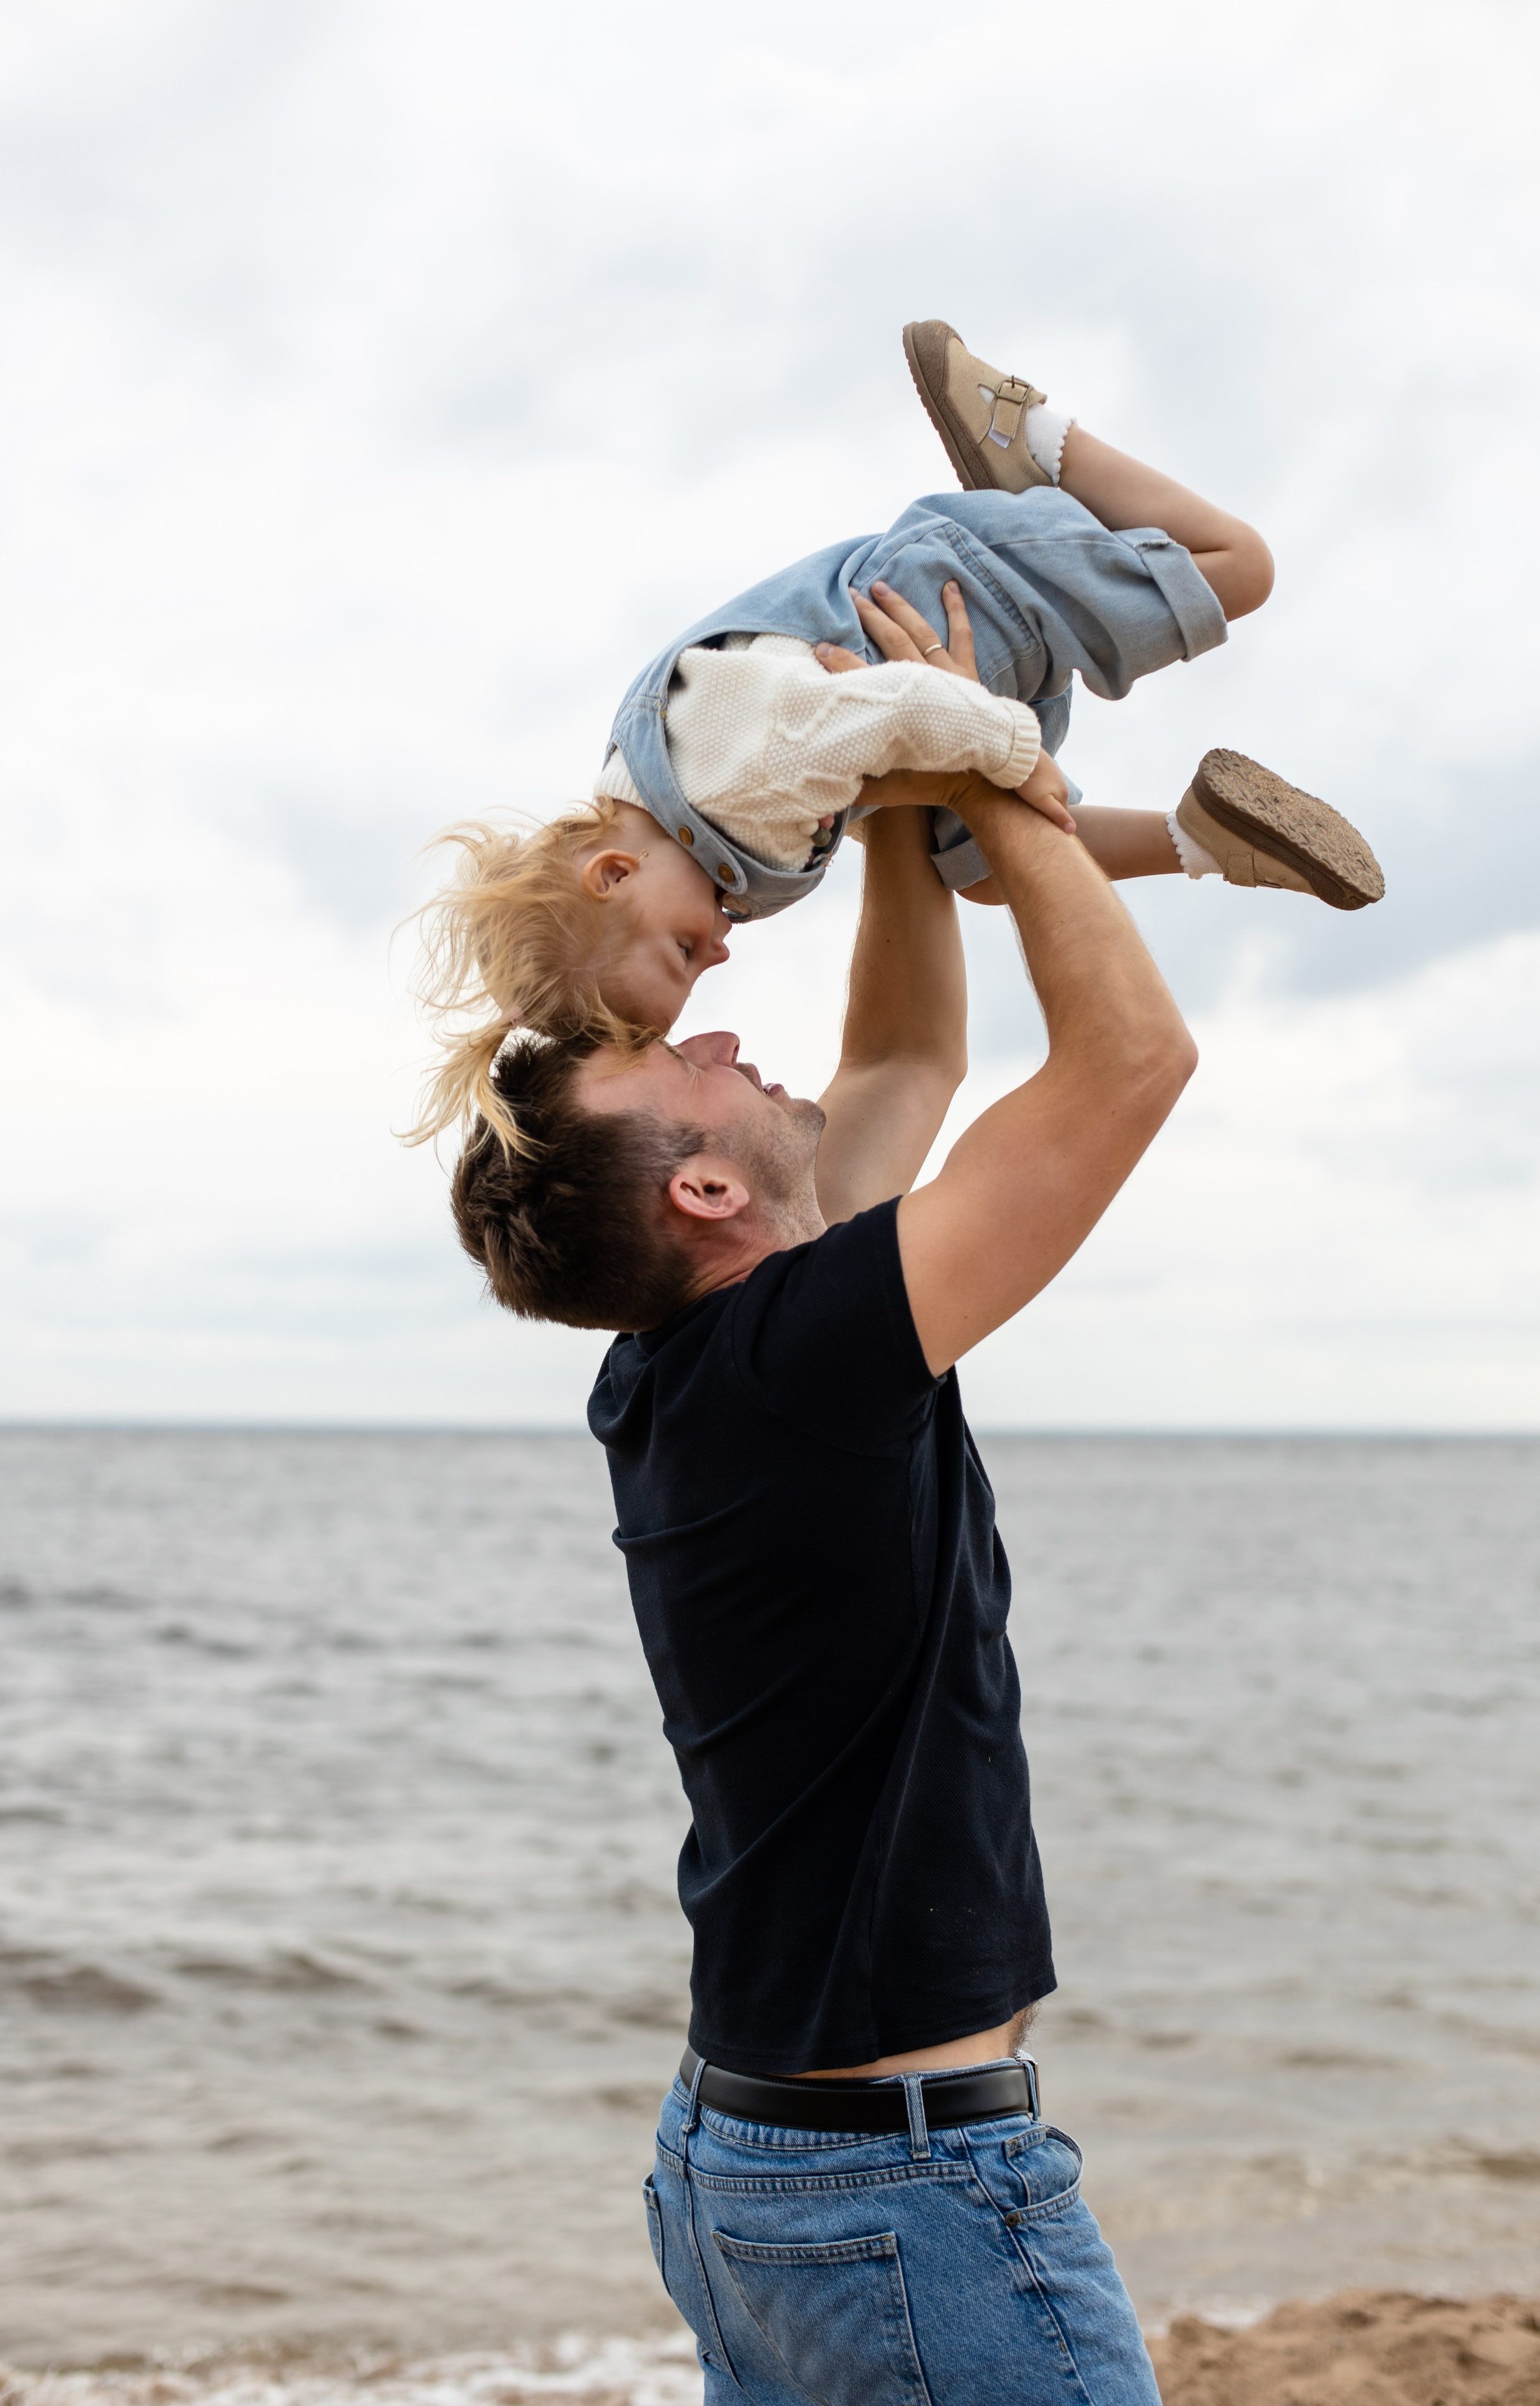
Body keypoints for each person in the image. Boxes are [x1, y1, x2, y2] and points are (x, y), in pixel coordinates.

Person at [444, 569, 1202, 2401]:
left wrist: (898, 812)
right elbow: (1131, 1061)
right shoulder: (795, 1361)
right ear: (703, 1195)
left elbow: (908, 1057)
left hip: (755, 2170)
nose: (720, 1033)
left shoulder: (712, 1365)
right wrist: (995, 772)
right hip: (901, 2187)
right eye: (679, 1068)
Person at [406, 318, 1381, 1155]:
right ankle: (1204, 840)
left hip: (959, 602)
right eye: (700, 971)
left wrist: (1013, 756)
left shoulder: (726, 769)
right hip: (958, 668)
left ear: (612, 875)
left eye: (682, 952)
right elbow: (868, 769)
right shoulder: (677, 819)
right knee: (991, 872)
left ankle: (1032, 438)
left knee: (1239, 567)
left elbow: (896, 712)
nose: (719, 956)